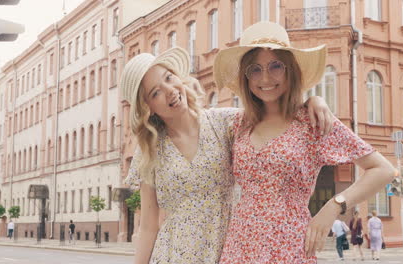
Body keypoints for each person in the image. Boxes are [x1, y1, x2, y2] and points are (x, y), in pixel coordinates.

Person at [120, 47, 333, 264]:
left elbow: (275, 115)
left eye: (169, 78)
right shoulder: (149, 150)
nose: (170, 91)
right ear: (148, 107)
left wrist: (311, 102)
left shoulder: (225, 122)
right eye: (155, 92)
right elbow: (148, 225)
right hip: (171, 255)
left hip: (228, 252)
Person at [213, 21, 397, 263]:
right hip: (239, 245)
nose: (265, 77)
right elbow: (191, 119)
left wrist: (335, 205)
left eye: (275, 66)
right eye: (255, 69)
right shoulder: (238, 124)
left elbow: (384, 170)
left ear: (291, 70)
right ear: (246, 77)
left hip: (289, 245)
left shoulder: (313, 121)